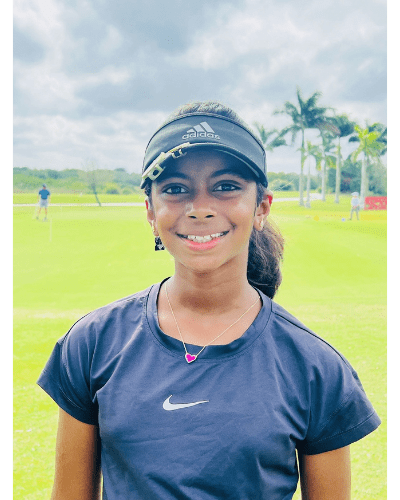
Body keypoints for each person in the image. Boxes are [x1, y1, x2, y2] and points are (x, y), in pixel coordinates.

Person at [37, 101, 380, 500]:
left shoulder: (315, 367)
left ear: (261, 207)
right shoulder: (92, 343)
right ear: (151, 211)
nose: (200, 208)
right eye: (176, 189)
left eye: (226, 186)